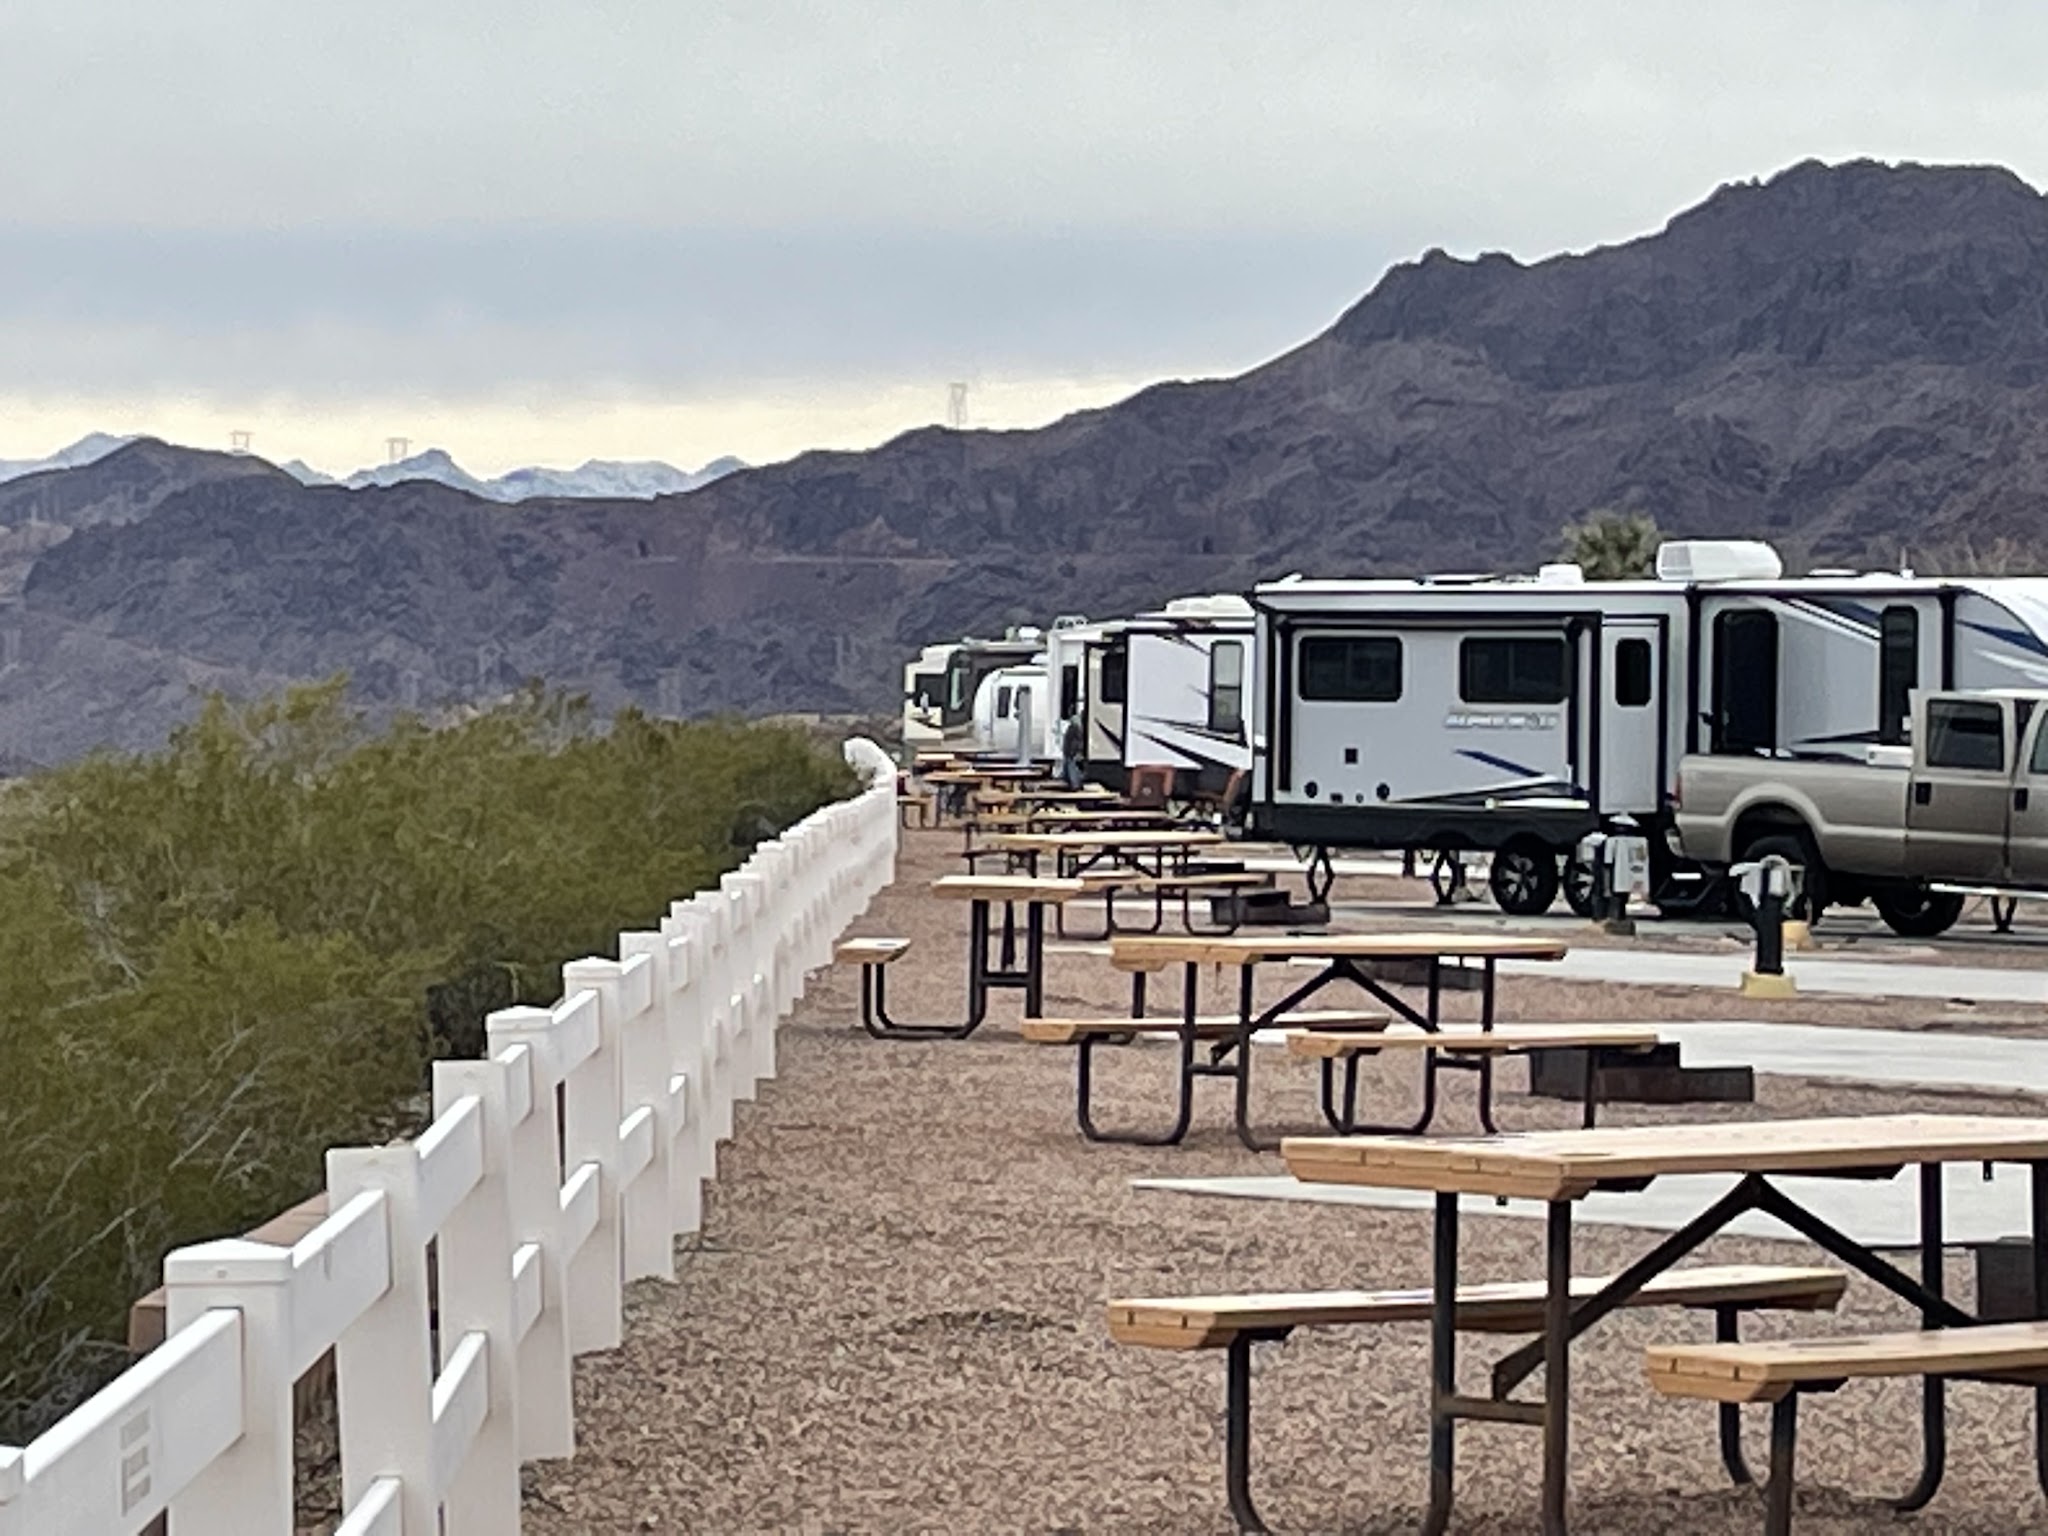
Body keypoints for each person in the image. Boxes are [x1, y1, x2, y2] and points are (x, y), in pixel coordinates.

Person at [1059, 716, 1085, 789]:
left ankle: (1074, 784)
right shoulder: (1076, 727)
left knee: (1071, 769)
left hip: (1070, 754)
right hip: (1071, 754)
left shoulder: (1073, 727)